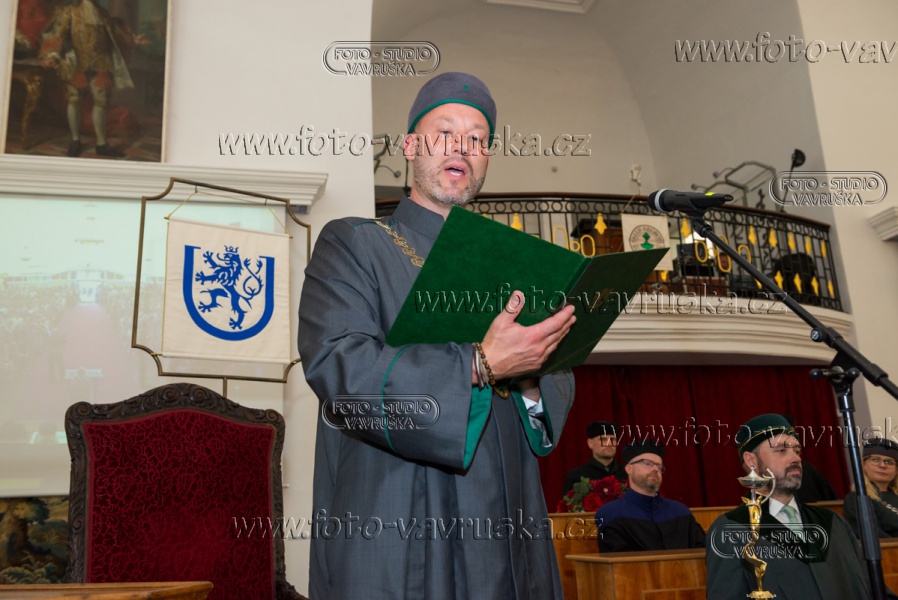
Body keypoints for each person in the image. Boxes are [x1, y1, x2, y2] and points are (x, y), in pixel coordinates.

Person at [298, 72, 578, 599]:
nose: (461, 147)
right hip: (400, 518)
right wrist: (478, 364)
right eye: (444, 132)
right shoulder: (356, 244)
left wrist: (531, 374)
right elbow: (340, 368)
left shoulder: (512, 267)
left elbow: (550, 385)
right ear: (410, 147)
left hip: (507, 523)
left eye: (477, 139)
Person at [706, 413, 877, 599]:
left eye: (796, 450)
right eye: (781, 450)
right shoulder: (732, 529)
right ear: (751, 461)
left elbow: (869, 587)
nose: (795, 458)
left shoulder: (833, 522)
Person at [39, 0, 148, 157]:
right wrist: (51, 54)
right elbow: (56, 34)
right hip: (76, 63)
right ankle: (75, 140)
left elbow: (116, 33)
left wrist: (134, 39)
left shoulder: (103, 14)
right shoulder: (69, 12)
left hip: (100, 63)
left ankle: (101, 143)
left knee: (101, 101)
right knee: (74, 100)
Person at [595, 440, 705, 552]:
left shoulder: (681, 512)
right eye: (647, 463)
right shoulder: (611, 514)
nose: (655, 469)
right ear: (629, 469)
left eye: (659, 466)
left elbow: (702, 551)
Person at [844, 438, 898, 538]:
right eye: (875, 460)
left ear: (896, 470)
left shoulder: (895, 496)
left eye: (889, 462)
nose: (882, 465)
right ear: (864, 465)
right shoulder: (857, 498)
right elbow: (872, 536)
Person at [562, 420, 626, 494]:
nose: (609, 444)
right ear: (590, 443)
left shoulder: (627, 473)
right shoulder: (577, 476)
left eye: (612, 439)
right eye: (603, 439)